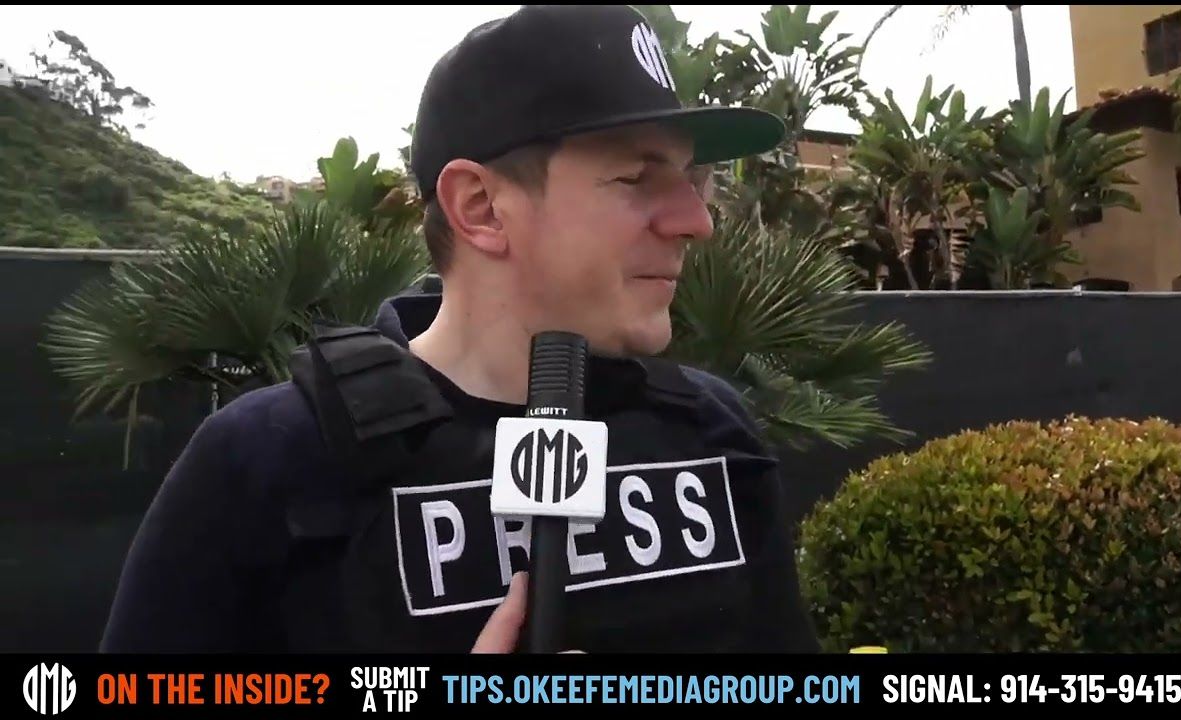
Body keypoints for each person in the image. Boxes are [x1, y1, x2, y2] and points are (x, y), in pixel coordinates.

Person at [100, 4, 820, 654]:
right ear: (479, 207)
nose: (696, 222)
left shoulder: (712, 430)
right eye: (636, 178)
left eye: (690, 180)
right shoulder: (269, 460)